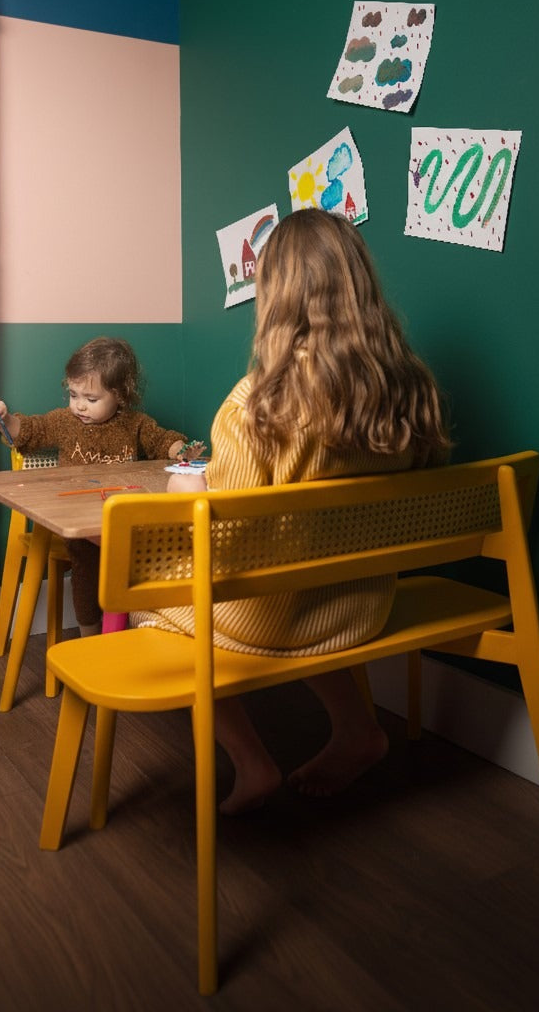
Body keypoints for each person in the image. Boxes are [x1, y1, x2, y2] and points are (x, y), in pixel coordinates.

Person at [136, 209, 452, 814]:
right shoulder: (410, 388)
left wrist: (188, 491)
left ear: (274, 295)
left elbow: (224, 534)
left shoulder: (258, 404)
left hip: (284, 617)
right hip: (360, 604)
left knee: (154, 593)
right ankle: (358, 730)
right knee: (300, 584)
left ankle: (253, 763)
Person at [0, 336, 197, 637]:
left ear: (120, 396)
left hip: (123, 524)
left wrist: (179, 450)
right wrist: (5, 418)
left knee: (150, 556)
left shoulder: (134, 423)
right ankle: (89, 633)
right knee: (87, 570)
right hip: (82, 528)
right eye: (73, 395)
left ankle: (137, 628)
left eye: (91, 399)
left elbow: (161, 440)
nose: (80, 406)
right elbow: (29, 431)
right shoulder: (64, 422)